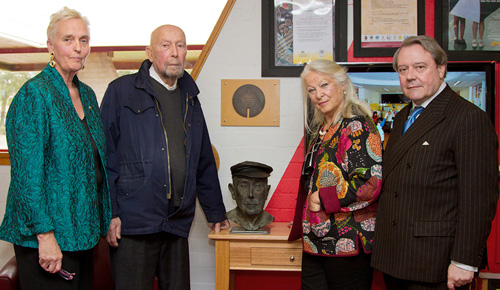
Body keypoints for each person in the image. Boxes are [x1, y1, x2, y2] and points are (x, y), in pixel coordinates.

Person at [100, 24, 230, 290]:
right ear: (150, 52)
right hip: (133, 224)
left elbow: (203, 160)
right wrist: (110, 213)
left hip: (175, 223)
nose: (174, 53)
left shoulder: (190, 97)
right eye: (166, 45)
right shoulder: (120, 90)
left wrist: (216, 212)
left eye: (181, 46)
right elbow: (105, 158)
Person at [371, 35, 499, 290]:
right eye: (403, 69)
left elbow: (479, 199)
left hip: (435, 260)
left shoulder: (467, 118)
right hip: (395, 256)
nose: (410, 76)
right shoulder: (403, 117)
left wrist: (464, 260)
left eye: (420, 67)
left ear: (441, 69)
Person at [0, 7, 111, 290]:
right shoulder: (34, 94)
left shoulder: (86, 94)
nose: (78, 48)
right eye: (68, 39)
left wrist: (107, 217)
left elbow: (95, 165)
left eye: (84, 40)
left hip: (81, 234)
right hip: (47, 240)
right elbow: (28, 178)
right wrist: (45, 236)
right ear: (50, 45)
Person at [288, 59, 382, 290]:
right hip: (315, 242)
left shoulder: (357, 126)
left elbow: (368, 183)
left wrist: (320, 198)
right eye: (311, 90)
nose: (318, 94)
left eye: (324, 85)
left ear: (342, 85)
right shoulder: (322, 129)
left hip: (347, 243)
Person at [227, 161, 274, 231]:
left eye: (258, 186)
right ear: (233, 191)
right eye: (243, 186)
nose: (250, 194)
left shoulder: (269, 218)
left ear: (266, 192)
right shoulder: (230, 216)